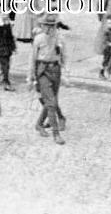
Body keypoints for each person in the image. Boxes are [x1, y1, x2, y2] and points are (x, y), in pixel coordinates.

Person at [30, 13, 67, 144]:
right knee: (51, 102)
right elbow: (33, 59)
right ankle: (56, 133)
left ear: (56, 26)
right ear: (43, 26)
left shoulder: (60, 38)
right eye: (46, 26)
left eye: (52, 26)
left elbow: (64, 56)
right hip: (42, 70)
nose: (49, 29)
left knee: (51, 99)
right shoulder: (38, 39)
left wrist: (66, 73)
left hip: (55, 70)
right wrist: (31, 77)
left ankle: (39, 124)